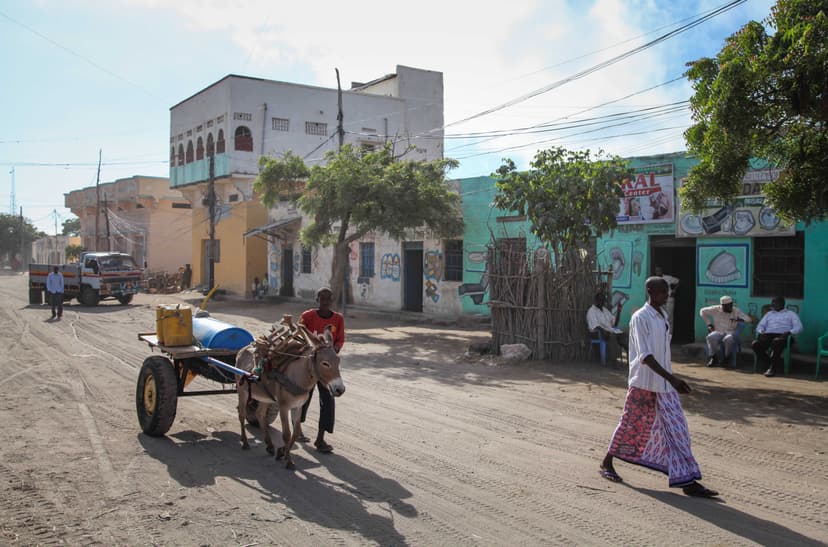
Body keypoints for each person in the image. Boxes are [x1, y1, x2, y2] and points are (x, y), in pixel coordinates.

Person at [599, 276, 718, 498]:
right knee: (630, 426)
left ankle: (687, 480)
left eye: (668, 291)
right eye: (663, 291)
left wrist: (670, 379)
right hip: (644, 383)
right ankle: (607, 463)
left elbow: (662, 352)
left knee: (678, 430)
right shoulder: (640, 317)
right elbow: (645, 356)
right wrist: (673, 379)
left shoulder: (662, 316)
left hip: (664, 384)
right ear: (651, 291)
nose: (667, 295)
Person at [295, 287, 345, 453]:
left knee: (328, 400)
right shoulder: (308, 316)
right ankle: (298, 429)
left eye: (328, 298)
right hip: (310, 365)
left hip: (326, 367)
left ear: (331, 301)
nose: (325, 301)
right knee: (304, 397)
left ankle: (321, 438)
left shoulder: (338, 319)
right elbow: (299, 333)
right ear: (317, 300)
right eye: (322, 298)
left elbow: (339, 340)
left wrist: (333, 351)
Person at [752, 296, 803, 377]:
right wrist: (761, 332)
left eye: (775, 302)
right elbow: (760, 326)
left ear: (782, 304)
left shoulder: (791, 314)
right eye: (772, 302)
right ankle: (771, 363)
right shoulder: (769, 314)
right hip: (769, 335)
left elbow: (799, 327)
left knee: (776, 342)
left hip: (783, 336)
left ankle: (772, 368)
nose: (773, 304)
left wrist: (789, 332)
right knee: (755, 344)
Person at [699, 295, 751, 367]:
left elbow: (748, 319)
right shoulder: (715, 309)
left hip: (730, 332)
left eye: (731, 305)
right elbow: (702, 311)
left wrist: (738, 319)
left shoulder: (736, 310)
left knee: (728, 339)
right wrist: (709, 324)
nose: (730, 307)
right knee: (710, 337)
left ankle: (727, 358)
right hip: (718, 331)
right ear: (722, 306)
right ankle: (714, 357)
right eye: (728, 306)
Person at [586, 292, 627, 364]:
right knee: (612, 337)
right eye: (600, 300)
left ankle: (630, 361)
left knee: (625, 336)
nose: (602, 302)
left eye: (603, 300)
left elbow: (615, 323)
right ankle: (614, 362)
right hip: (598, 333)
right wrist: (605, 331)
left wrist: (619, 311)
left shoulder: (605, 310)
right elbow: (595, 326)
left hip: (610, 331)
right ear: (596, 300)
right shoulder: (591, 311)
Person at [654, 266, 679, 333]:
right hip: (660, 301)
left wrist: (674, 291)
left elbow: (678, 281)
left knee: (669, 318)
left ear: (662, 271)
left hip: (669, 300)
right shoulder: (654, 280)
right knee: (660, 317)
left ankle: (669, 335)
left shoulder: (667, 277)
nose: (658, 272)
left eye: (659, 270)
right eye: (656, 271)